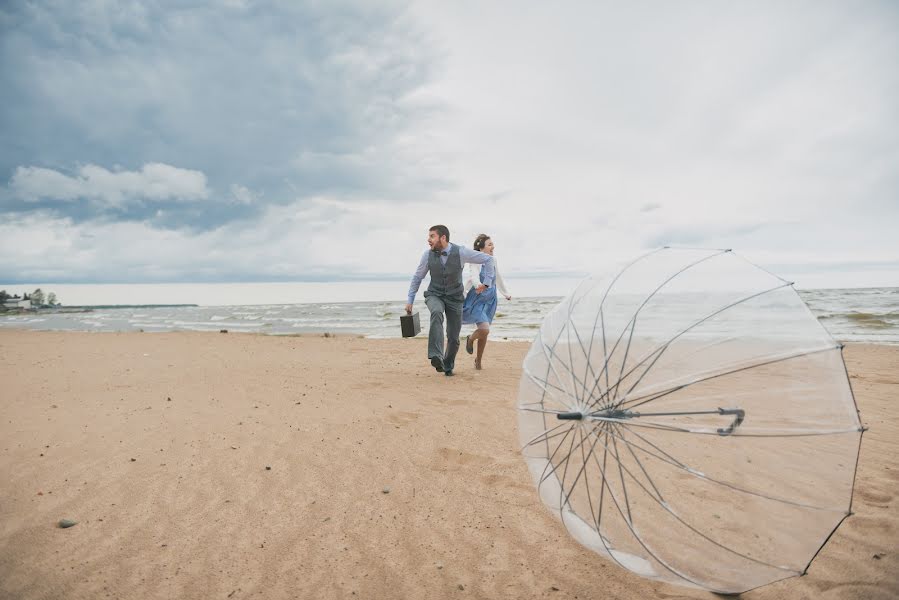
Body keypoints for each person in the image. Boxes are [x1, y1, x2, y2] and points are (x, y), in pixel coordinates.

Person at [406, 225, 495, 376]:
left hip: (455, 298)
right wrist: (410, 299)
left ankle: (447, 366)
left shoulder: (461, 252)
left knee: (453, 337)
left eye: (432, 236)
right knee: (436, 312)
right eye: (429, 236)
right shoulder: (427, 255)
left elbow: (487, 259)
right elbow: (417, 277)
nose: (429, 240)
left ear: (443, 238)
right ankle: (436, 355)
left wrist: (486, 282)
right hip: (435, 294)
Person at [462, 234, 511, 370]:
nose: (492, 247)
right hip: (477, 298)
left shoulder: (493, 260)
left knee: (484, 332)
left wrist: (505, 293)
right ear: (481, 248)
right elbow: (473, 276)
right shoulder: (475, 260)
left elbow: (498, 276)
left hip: (490, 299)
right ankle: (470, 339)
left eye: (492, 244)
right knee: (484, 329)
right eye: (489, 244)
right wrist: (478, 285)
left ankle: (478, 361)